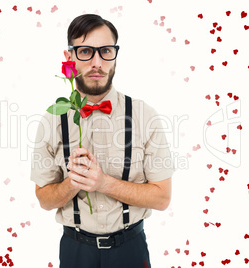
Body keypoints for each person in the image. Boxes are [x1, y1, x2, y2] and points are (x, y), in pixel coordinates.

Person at [31, 14, 175, 268]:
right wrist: (71, 184)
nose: (97, 62)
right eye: (86, 51)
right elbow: (44, 199)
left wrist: (103, 183)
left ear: (115, 56)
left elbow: (162, 198)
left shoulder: (145, 116)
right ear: (69, 58)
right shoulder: (52, 120)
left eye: (106, 51)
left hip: (130, 248)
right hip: (76, 250)